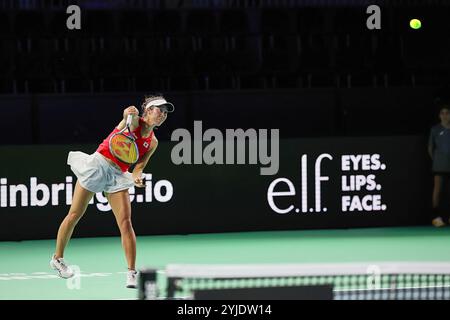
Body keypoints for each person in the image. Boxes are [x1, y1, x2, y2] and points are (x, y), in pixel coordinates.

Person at [50, 95, 174, 288]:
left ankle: (131, 272)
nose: (163, 115)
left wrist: (137, 178)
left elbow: (138, 167)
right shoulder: (134, 123)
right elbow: (127, 118)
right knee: (74, 214)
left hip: (118, 175)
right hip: (98, 165)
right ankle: (57, 259)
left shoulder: (153, 142)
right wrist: (127, 113)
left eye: (166, 112)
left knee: (125, 222)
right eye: (160, 110)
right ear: (148, 110)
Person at [428, 103, 450, 227]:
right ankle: (436, 218)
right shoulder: (435, 129)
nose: (445, 116)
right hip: (439, 165)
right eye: (443, 113)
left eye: (447, 113)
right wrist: (437, 159)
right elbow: (430, 148)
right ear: (439, 116)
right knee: (437, 190)